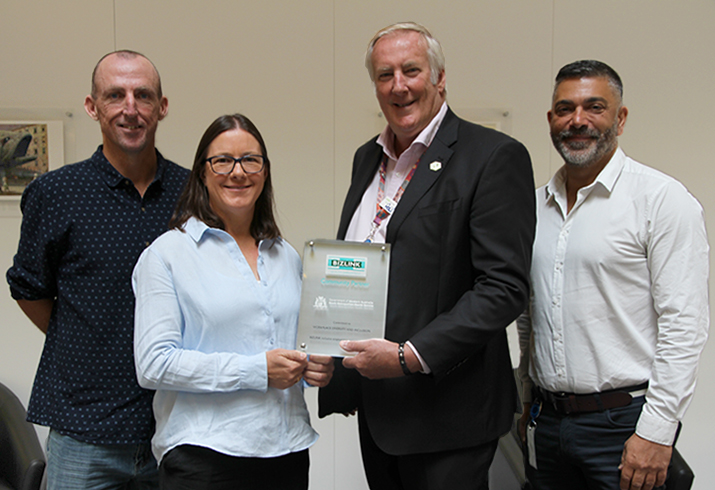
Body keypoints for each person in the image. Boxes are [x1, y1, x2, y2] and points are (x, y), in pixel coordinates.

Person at [318, 22, 536, 490]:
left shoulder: (493, 155)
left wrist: (408, 356)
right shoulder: (367, 158)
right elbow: (359, 264)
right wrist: (330, 357)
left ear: (439, 78)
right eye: (384, 74)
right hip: (380, 411)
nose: (399, 85)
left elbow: (503, 289)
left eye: (411, 70)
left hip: (449, 415)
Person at [517, 60, 709, 490]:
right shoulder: (529, 209)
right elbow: (529, 315)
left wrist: (656, 432)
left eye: (594, 107)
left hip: (624, 426)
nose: (578, 121)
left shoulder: (662, 200)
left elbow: (685, 324)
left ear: (620, 118)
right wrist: (525, 400)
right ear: (551, 120)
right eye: (565, 109)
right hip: (546, 423)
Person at [5, 50, 189, 489]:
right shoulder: (55, 192)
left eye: (143, 95)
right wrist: (83, 337)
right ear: (92, 106)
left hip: (175, 426)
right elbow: (28, 288)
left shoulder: (191, 193)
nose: (130, 108)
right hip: (84, 430)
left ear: (162, 106)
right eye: (115, 95)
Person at [132, 113, 334, 490]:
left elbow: (286, 347)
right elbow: (153, 364)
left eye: (250, 160)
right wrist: (257, 371)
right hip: (204, 459)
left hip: (287, 452)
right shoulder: (168, 254)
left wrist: (313, 370)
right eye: (222, 160)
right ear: (202, 172)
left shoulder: (285, 255)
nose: (238, 172)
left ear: (265, 171)